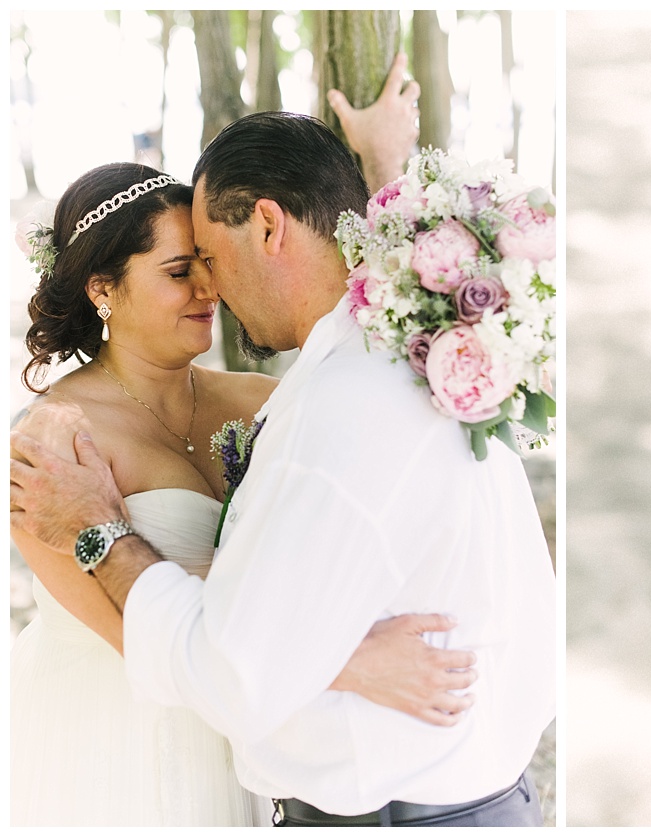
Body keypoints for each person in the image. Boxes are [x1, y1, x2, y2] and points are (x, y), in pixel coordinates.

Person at [10, 107, 556, 826]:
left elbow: (283, 594)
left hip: (243, 725)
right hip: (126, 742)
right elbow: (129, 630)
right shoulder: (53, 441)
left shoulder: (278, 405)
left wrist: (381, 166)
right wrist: (345, 661)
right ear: (103, 289)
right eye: (181, 269)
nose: (207, 289)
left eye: (206, 260)